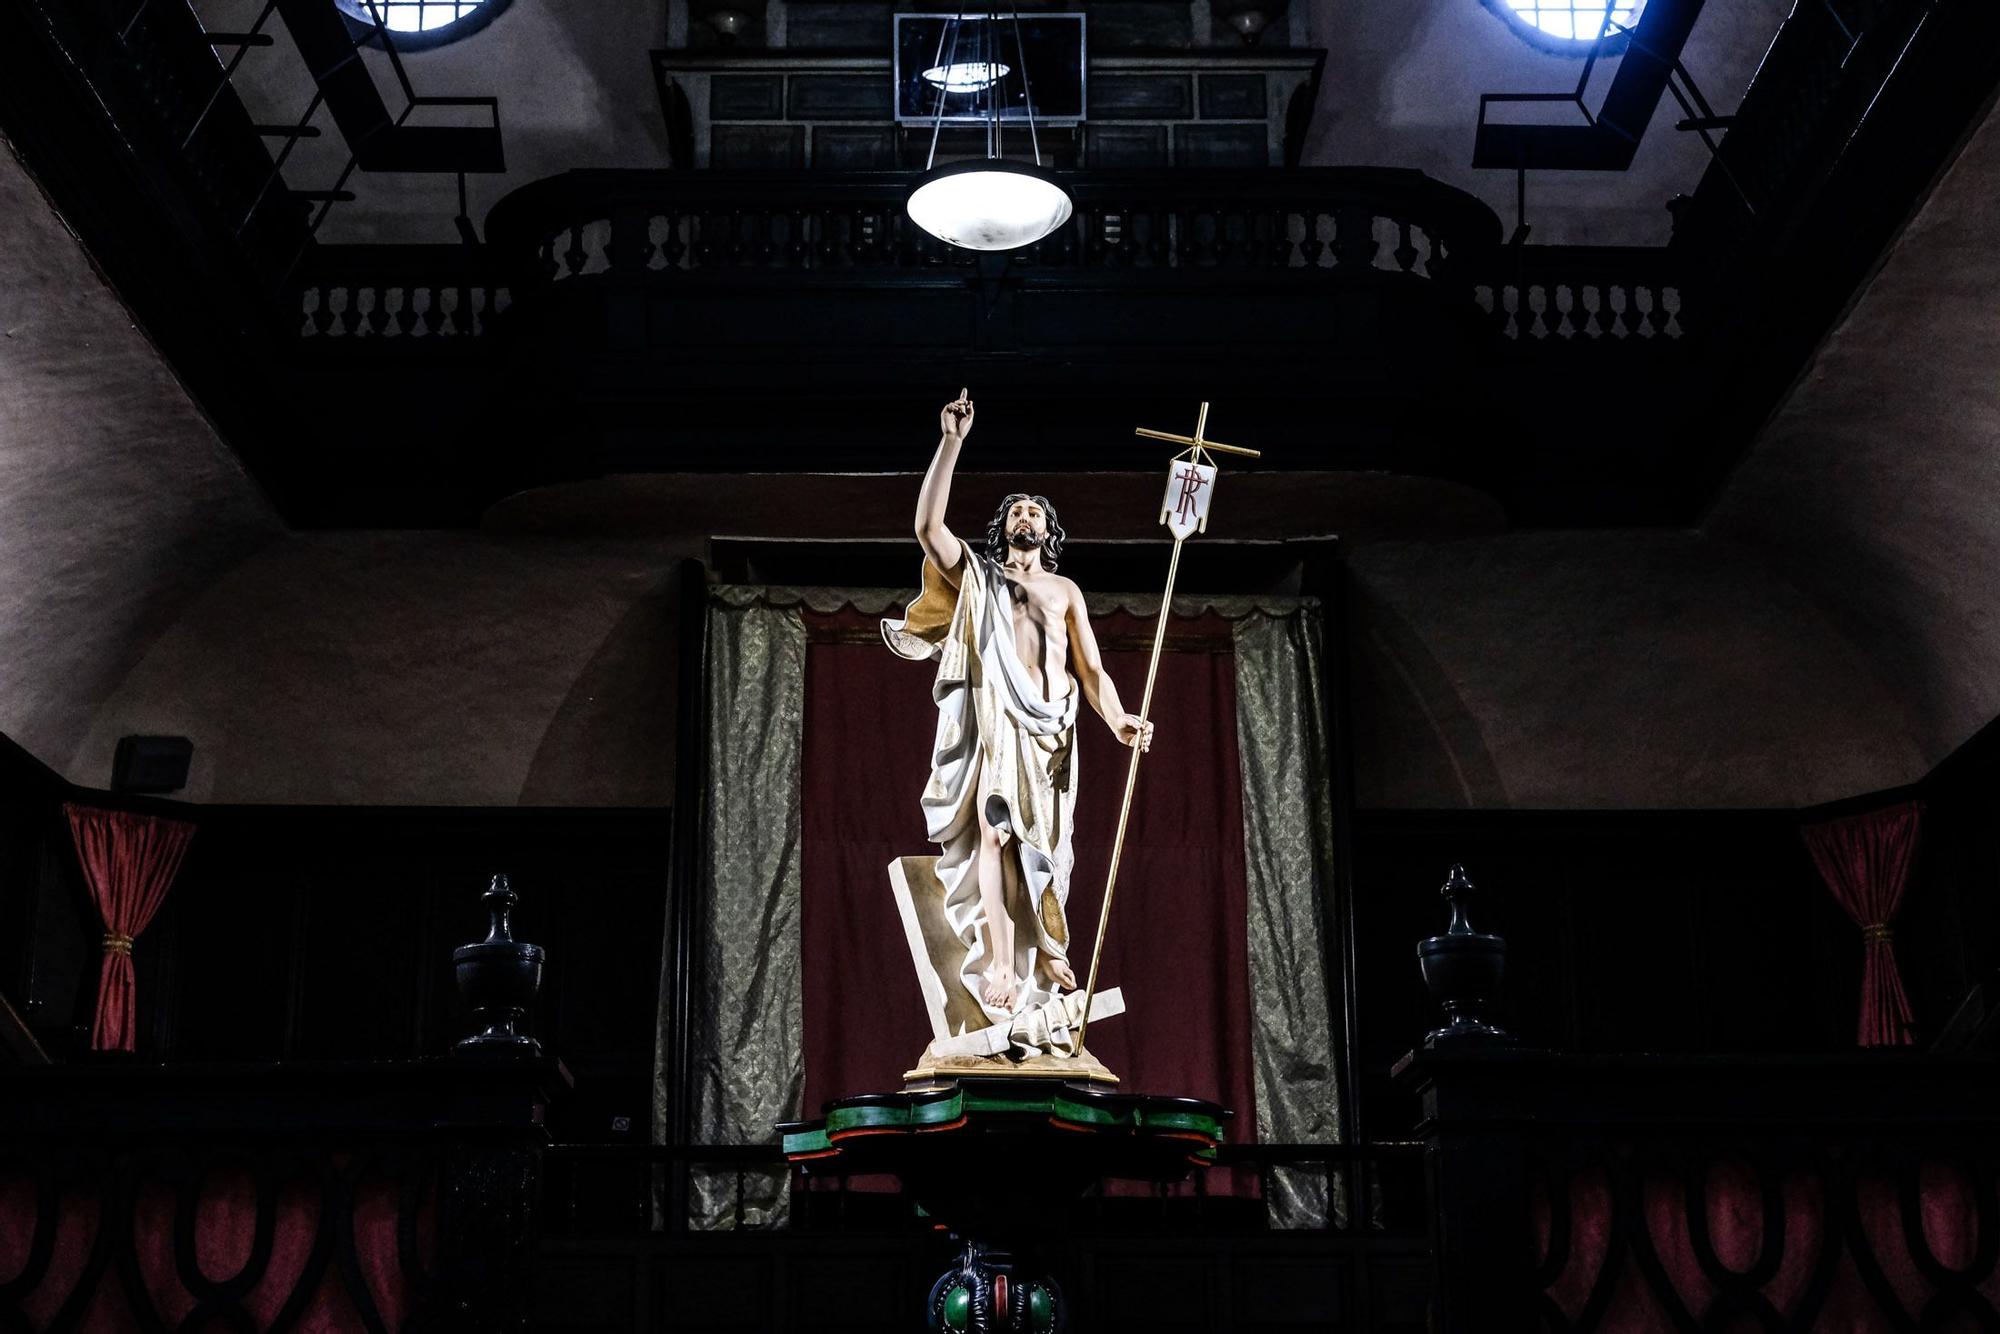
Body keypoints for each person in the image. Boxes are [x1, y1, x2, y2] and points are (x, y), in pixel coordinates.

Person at [883, 389, 1152, 1033]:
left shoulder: (1063, 590)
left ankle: (1046, 955)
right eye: (1018, 509)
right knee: (995, 829)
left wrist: (1117, 719)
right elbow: (927, 528)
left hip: (1055, 733)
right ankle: (1002, 967)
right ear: (1005, 527)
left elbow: (1091, 671)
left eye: (1037, 510)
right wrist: (951, 442)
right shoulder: (980, 579)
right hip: (999, 721)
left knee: (1045, 854)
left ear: (1048, 532)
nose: (1027, 515)